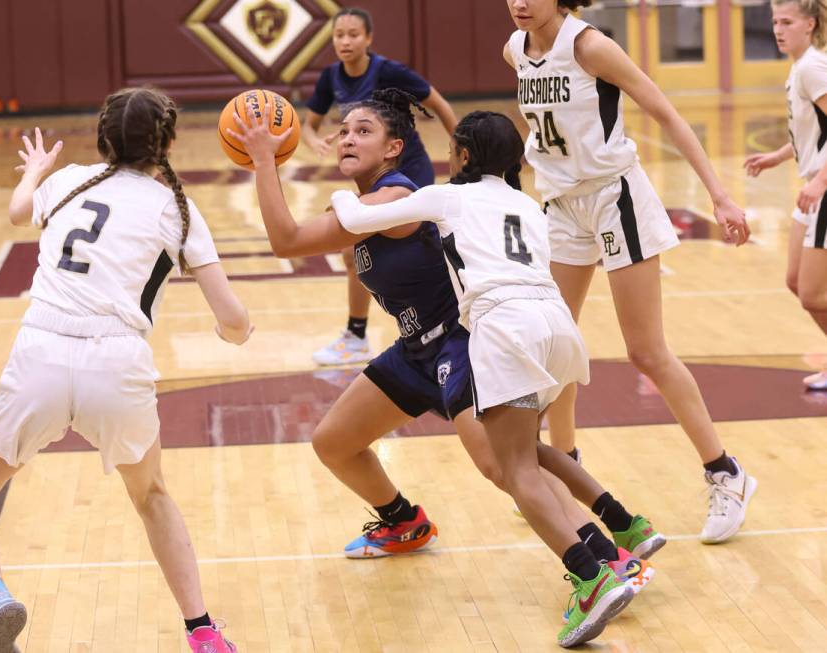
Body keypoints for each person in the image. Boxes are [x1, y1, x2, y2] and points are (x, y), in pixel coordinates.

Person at [313, 105, 639, 647]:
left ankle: (596, 569)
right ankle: (619, 532)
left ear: (458, 154)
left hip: (481, 335)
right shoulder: (526, 203)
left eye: (361, 130)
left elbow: (345, 220)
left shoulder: (439, 196)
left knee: (510, 467)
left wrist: (315, 184)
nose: (348, 138)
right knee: (518, 457)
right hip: (546, 326)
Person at [0, 88, 251, 653]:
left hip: (40, 352)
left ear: (102, 139)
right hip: (116, 364)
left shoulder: (67, 182)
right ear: (167, 143)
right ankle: (202, 631)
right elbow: (233, 320)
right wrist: (231, 331)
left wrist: (36, 171)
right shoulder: (177, 210)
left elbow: (18, 212)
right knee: (152, 496)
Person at [502, 0, 757, 543]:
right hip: (562, 205)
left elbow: (666, 112)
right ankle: (566, 470)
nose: (519, 2)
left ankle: (726, 473)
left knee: (646, 350)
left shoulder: (589, 45)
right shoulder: (515, 49)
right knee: (554, 344)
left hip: (615, 197)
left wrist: (720, 195)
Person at [304, 7, 458, 366]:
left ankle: (366, 333)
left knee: (360, 248)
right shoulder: (330, 77)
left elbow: (439, 104)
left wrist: (462, 152)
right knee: (357, 251)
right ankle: (370, 333)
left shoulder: (389, 71)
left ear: (369, 39)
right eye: (339, 35)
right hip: (376, 175)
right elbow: (308, 124)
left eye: (353, 34)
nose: (345, 41)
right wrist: (315, 140)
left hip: (407, 171)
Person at [744, 0, 827, 390]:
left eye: (788, 22)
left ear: (809, 24)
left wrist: (820, 182)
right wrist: (778, 156)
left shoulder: (813, 67)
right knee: (796, 281)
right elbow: (813, 133)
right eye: (775, 22)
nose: (778, 29)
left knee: (813, 293)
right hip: (812, 187)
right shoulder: (799, 67)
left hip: (823, 189)